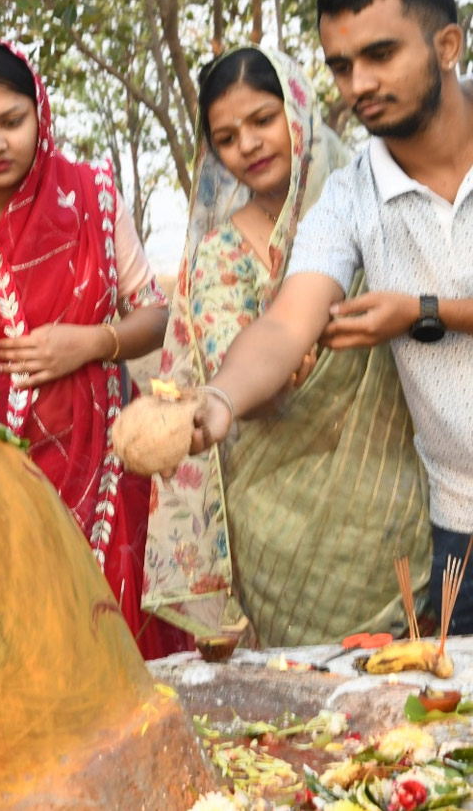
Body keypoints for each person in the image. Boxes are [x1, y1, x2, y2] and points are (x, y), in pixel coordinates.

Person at [193, 0, 473, 634]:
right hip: (459, 521)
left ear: (447, 45)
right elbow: (287, 325)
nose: (359, 84)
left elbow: (417, 313)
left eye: (380, 54)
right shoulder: (350, 198)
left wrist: (422, 312)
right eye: (341, 66)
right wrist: (221, 400)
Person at [0, 40, 187, 659]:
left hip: (102, 477)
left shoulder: (92, 196)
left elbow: (155, 315)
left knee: (116, 664)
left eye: (11, 122)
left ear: (39, 114)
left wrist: (94, 342)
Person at [144, 45, 430, 647]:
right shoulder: (219, 252)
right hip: (277, 510)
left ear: (297, 114)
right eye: (226, 137)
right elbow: (241, 375)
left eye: (262, 119)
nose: (247, 144)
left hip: (393, 489)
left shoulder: (371, 205)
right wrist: (276, 374)